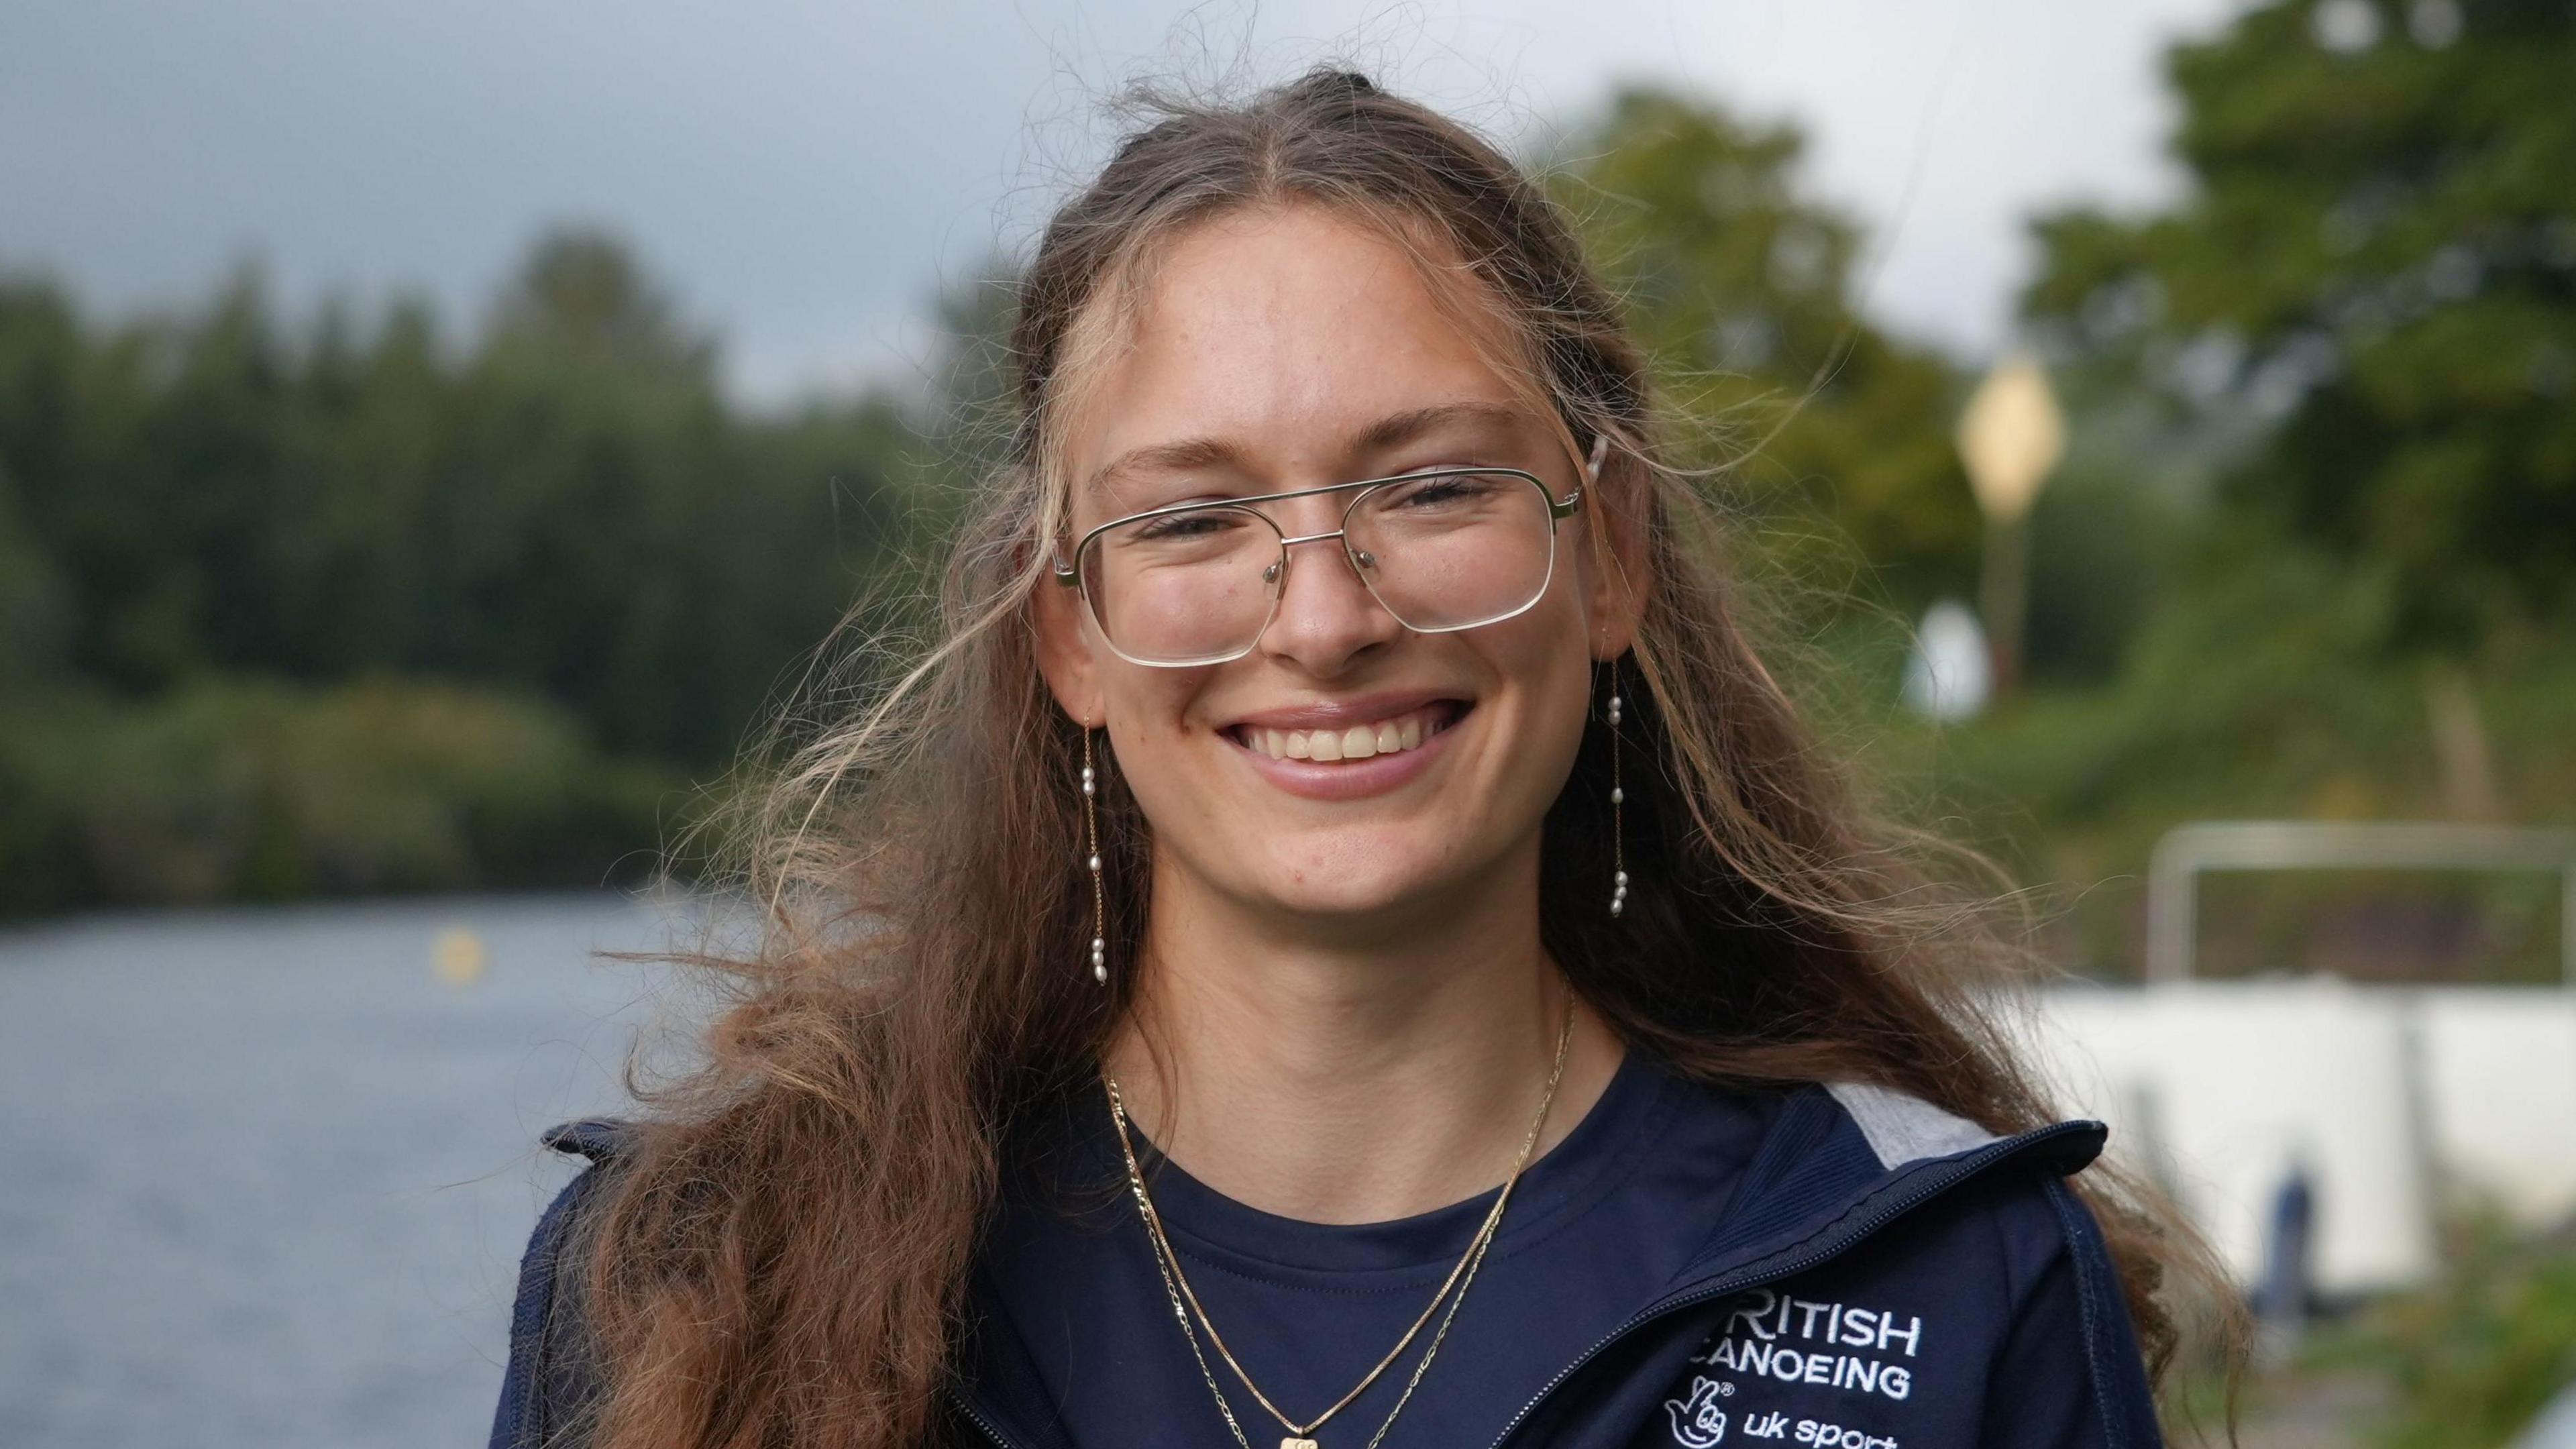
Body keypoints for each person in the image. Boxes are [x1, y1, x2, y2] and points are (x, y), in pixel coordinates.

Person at [490, 68, 2222, 1449]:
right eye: (1192, 514)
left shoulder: (1946, 1272)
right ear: (1067, 632)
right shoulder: (710, 1277)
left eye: (1434, 485)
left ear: (1608, 557)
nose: (1321, 616)